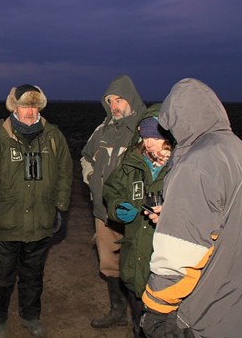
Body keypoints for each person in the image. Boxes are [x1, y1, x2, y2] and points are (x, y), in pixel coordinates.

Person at [140, 78, 242, 338]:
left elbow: (180, 253)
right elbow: (228, 225)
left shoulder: (197, 163)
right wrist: (176, 213)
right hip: (237, 306)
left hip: (200, 312)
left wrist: (157, 307)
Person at [0, 84, 73, 338]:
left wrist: (61, 208)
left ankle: (30, 315)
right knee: (1, 276)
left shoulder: (53, 136)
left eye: (34, 106)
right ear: (14, 108)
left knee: (33, 275)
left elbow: (65, 174)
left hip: (41, 221)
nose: (29, 112)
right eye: (24, 106)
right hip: (7, 223)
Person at [81, 75, 146, 329]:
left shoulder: (146, 130)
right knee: (110, 266)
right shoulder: (102, 130)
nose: (115, 106)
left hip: (136, 217)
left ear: (131, 99)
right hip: (104, 213)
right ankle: (117, 312)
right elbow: (86, 157)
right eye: (110, 101)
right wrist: (91, 177)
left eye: (119, 99)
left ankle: (141, 322)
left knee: (138, 269)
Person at [103, 104, 173, 338]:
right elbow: (112, 188)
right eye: (145, 135)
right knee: (139, 320)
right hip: (135, 258)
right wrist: (117, 207)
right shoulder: (133, 161)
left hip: (166, 265)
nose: (149, 142)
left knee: (165, 325)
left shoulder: (183, 167)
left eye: (155, 136)